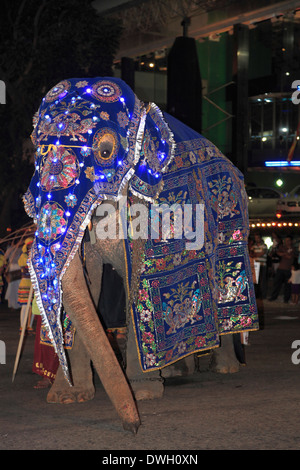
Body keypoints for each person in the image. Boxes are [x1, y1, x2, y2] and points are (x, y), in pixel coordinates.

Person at [269, 235, 297, 303]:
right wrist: (285, 254)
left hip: (288, 269)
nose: (287, 242)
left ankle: (286, 299)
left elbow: (291, 256)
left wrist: (285, 254)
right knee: (277, 284)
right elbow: (278, 253)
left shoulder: (293, 248)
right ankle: (273, 297)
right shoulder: (282, 247)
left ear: (291, 241)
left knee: (287, 286)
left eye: (288, 240)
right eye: (286, 240)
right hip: (281, 268)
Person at [18, 237, 34, 331]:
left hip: (33, 283)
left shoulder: (35, 255)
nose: (31, 246)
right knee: (25, 306)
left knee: (32, 306)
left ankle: (29, 326)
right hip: (25, 283)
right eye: (29, 245)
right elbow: (25, 268)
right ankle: (22, 326)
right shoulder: (23, 256)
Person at [4, 240, 22, 309]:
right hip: (12, 268)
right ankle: (12, 304)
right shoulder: (11, 249)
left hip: (18, 268)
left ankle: (18, 304)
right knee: (11, 287)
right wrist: (13, 247)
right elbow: (6, 257)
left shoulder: (21, 249)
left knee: (17, 286)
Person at [249, 232, 268, 299]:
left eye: (258, 238)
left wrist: (255, 254)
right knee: (256, 281)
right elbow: (251, 254)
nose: (256, 239)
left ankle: (263, 295)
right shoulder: (253, 246)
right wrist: (256, 254)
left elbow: (262, 253)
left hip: (262, 265)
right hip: (255, 265)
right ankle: (257, 295)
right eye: (255, 238)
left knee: (262, 281)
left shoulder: (264, 245)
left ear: (260, 238)